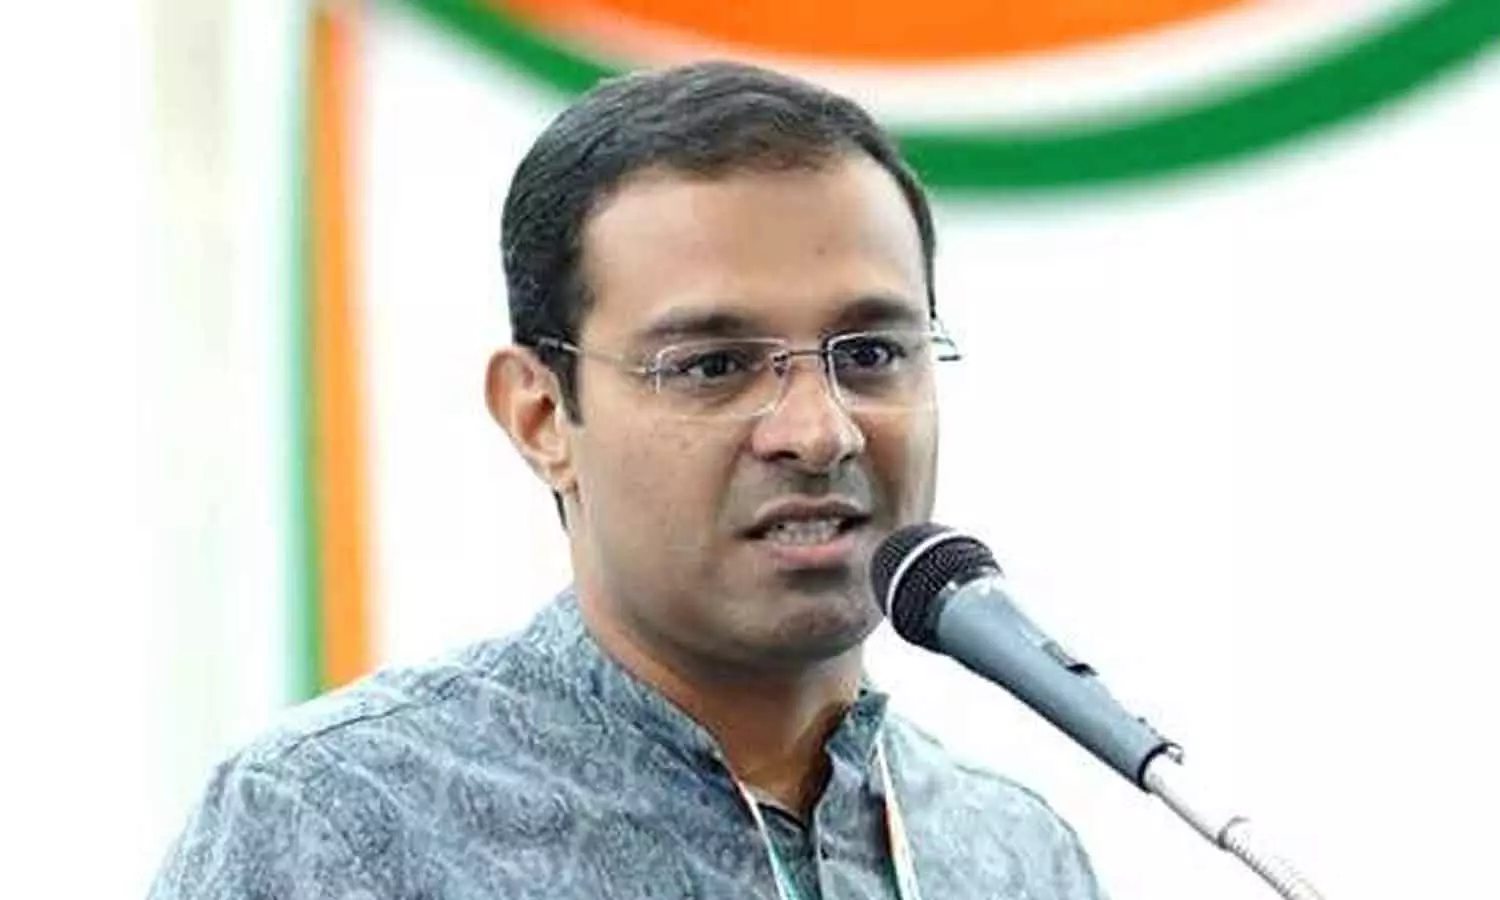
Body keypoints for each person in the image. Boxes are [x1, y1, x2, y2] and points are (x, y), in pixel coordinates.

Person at [150, 60, 1107, 899]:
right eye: (713, 366)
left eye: (869, 354)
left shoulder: (1012, 856)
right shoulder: (342, 822)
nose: (820, 432)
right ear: (539, 416)